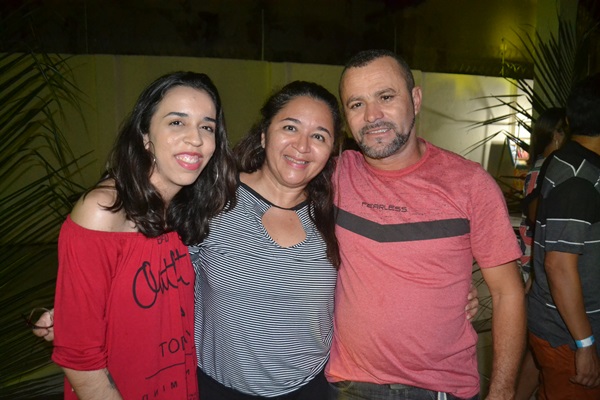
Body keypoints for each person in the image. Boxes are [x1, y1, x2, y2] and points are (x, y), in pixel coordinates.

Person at [33, 80, 480, 398]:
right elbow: (146, 259)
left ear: (333, 151)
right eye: (290, 127)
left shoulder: (338, 207)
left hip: (312, 388)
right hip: (213, 386)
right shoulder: (212, 197)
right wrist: (76, 313)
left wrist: (444, 297)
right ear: (265, 134)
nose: (302, 145)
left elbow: (385, 260)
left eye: (319, 135)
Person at [326, 49, 526, 399]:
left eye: (386, 97)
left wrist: (503, 390)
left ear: (416, 100)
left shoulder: (470, 184)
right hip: (349, 385)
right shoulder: (335, 175)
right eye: (356, 104)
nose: (372, 115)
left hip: (441, 389)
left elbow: (507, 292)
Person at [48, 71, 236, 400]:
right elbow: (79, 358)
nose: (195, 139)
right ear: (145, 135)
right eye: (177, 122)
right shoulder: (103, 211)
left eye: (206, 127)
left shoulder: (186, 212)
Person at [527, 73, 600, 399]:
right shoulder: (579, 179)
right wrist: (585, 343)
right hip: (569, 335)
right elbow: (558, 266)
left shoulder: (570, 160)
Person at [515, 107, 566, 400]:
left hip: (534, 261)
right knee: (537, 344)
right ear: (557, 135)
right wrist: (535, 271)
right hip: (534, 262)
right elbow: (539, 222)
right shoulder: (546, 169)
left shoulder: (541, 166)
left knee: (536, 347)